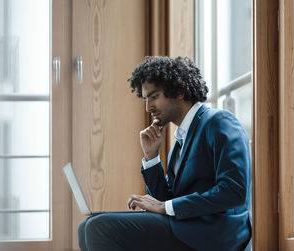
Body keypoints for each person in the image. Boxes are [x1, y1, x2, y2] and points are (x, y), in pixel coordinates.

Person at [78, 56, 252, 251]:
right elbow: (164, 200)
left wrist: (166, 207)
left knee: (98, 227)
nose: (148, 107)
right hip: (188, 227)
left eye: (154, 97)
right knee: (85, 226)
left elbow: (234, 191)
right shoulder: (179, 143)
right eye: (145, 99)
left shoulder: (219, 122)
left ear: (179, 91)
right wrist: (151, 157)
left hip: (216, 233)